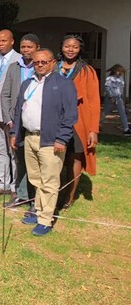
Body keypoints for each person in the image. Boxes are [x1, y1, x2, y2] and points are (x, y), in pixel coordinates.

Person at [11, 49, 78, 236]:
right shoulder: (27, 84)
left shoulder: (64, 84)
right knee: (35, 178)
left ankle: (45, 219)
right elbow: (18, 111)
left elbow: (70, 115)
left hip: (50, 140)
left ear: (53, 62)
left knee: (49, 180)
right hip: (30, 137)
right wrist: (15, 133)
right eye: (36, 62)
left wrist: (62, 138)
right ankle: (38, 210)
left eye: (44, 62)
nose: (39, 65)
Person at [57, 34, 100, 208]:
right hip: (56, 120)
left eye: (74, 47)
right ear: (62, 47)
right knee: (56, 157)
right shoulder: (53, 67)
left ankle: (70, 195)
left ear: (80, 49)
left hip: (77, 120)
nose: (70, 50)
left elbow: (94, 101)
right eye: (67, 46)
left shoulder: (86, 71)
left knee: (74, 157)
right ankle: (55, 191)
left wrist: (93, 130)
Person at [0, 34, 40, 208]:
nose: (26, 50)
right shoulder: (13, 67)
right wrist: (9, 119)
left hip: (35, 121)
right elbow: (5, 94)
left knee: (37, 161)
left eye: (29, 47)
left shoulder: (42, 67)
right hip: (15, 122)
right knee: (19, 159)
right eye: (23, 47)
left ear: (37, 47)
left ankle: (37, 198)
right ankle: (22, 194)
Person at [0, 29, 22, 199]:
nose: (0, 44)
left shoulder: (20, 60)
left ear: (12, 41)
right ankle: (3, 183)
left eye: (4, 41)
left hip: (10, 112)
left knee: (13, 150)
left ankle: (15, 186)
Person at [101, 64, 131, 135]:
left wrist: (121, 98)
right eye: (119, 71)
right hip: (109, 98)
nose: (120, 73)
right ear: (115, 71)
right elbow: (107, 88)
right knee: (106, 112)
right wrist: (111, 97)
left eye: (121, 72)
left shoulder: (121, 79)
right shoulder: (110, 78)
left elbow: (121, 89)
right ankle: (98, 124)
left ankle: (126, 129)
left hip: (118, 98)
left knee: (122, 113)